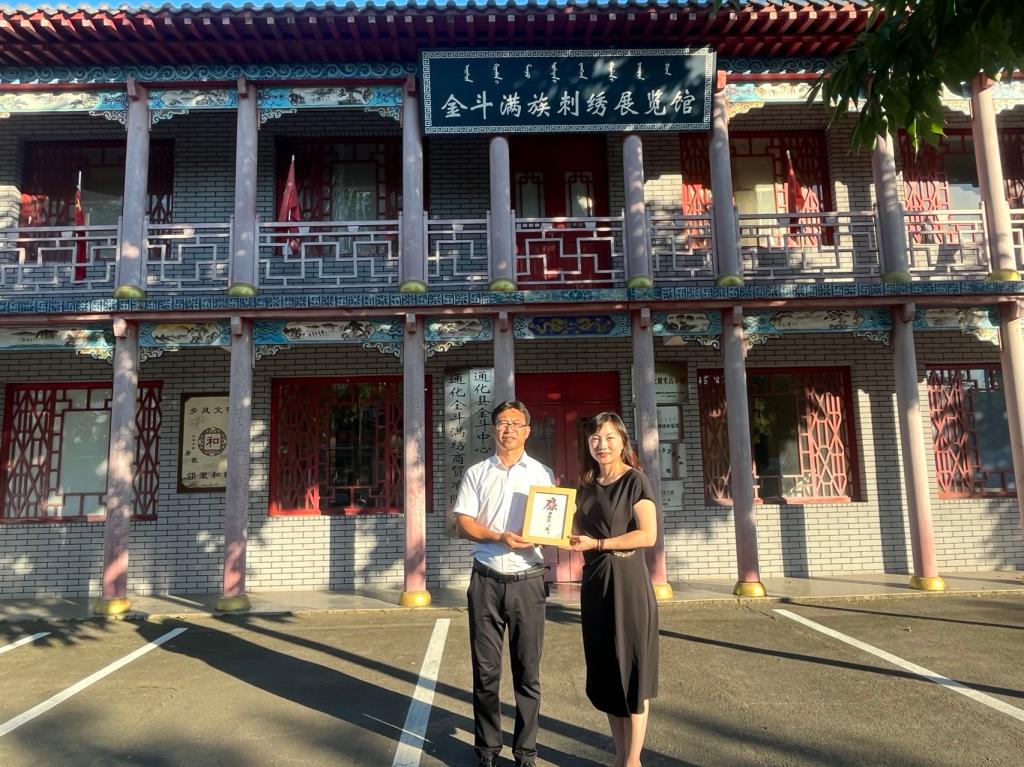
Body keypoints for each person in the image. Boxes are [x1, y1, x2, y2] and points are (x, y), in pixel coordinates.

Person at [453, 400, 554, 767]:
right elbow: (464, 523)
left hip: (528, 580)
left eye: (515, 423)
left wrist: (553, 533)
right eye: (502, 422)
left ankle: (526, 752)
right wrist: (499, 536)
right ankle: (487, 749)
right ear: (493, 429)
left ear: (527, 430)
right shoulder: (477, 473)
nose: (508, 428)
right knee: (486, 672)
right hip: (486, 579)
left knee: (528, 672)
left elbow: (553, 521)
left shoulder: (542, 474)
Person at [569, 412, 659, 767]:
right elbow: (573, 533)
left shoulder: (635, 481)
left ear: (622, 441)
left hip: (628, 582)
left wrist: (599, 544)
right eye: (595, 439)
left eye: (609, 438)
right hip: (596, 585)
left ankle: (633, 760)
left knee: (632, 673)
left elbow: (647, 535)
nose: (601, 445)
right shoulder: (586, 486)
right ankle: (620, 754)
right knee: (607, 673)